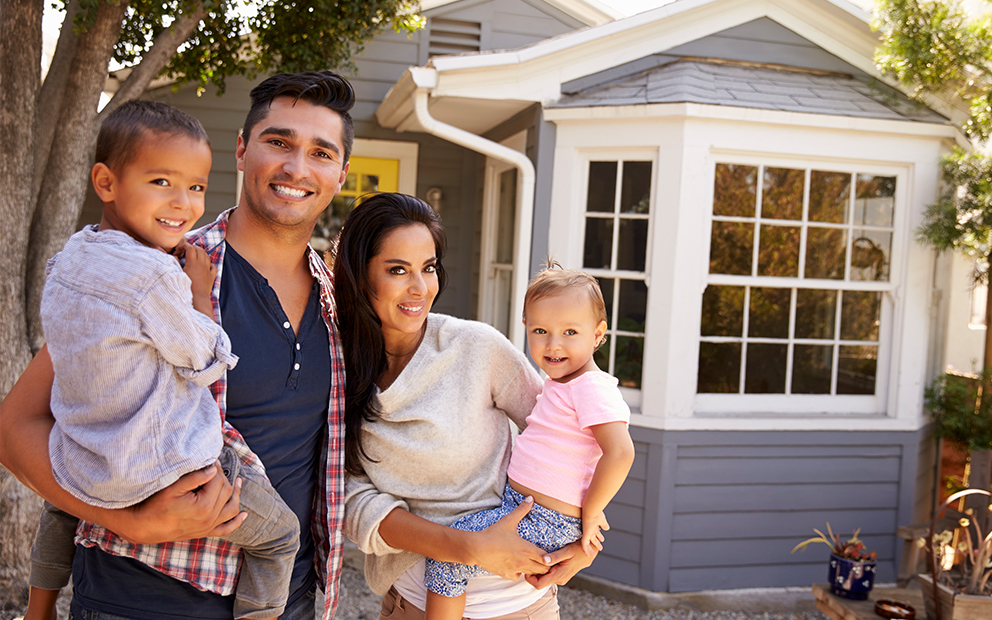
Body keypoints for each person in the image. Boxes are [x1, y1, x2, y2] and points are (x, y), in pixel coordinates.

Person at [0, 70, 354, 620]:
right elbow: (16, 425)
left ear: (341, 174)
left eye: (321, 153)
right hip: (137, 602)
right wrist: (128, 520)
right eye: (278, 142)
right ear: (241, 149)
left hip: (291, 602)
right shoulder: (155, 269)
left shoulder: (338, 299)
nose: (296, 167)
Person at [336, 193, 602, 620]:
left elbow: (570, 436)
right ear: (360, 275)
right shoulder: (337, 371)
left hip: (519, 607)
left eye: (428, 268)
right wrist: (467, 546)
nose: (420, 288)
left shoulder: (477, 348)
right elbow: (351, 501)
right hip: (412, 608)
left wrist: (585, 536)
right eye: (397, 270)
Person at [423, 262, 635, 620]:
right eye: (541, 331)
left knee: (448, 554)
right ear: (525, 329)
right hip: (521, 506)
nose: (553, 345)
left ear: (598, 334)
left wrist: (592, 512)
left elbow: (621, 453)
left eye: (570, 332)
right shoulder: (562, 383)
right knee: (456, 543)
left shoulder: (591, 388)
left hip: (546, 519)